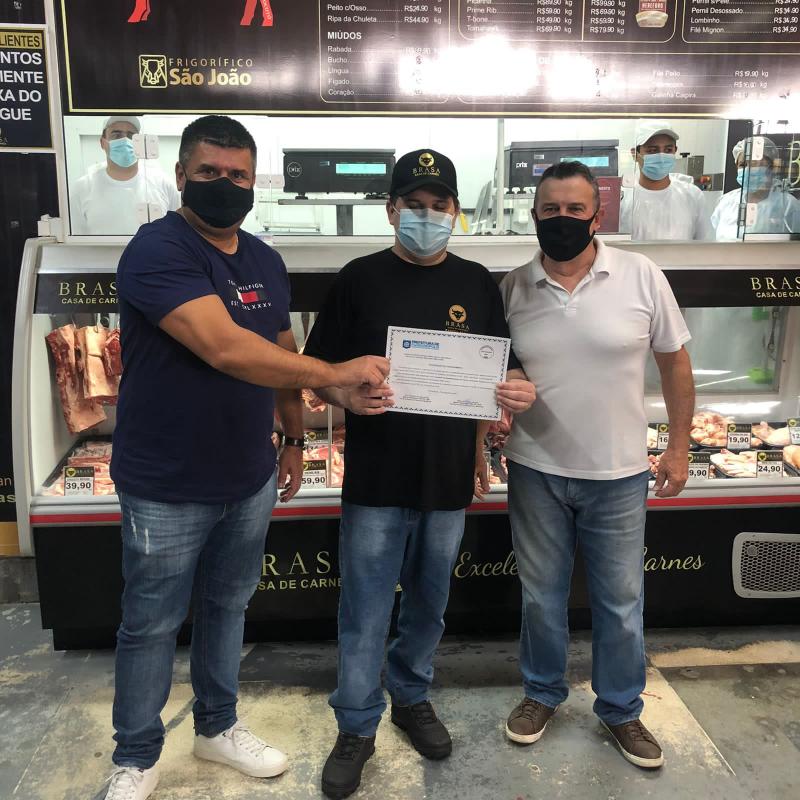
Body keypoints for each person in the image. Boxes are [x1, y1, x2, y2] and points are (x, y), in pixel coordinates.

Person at [104, 115, 389, 800]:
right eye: (209, 172)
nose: (224, 184)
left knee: (228, 607)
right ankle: (136, 755)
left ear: (254, 182)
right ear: (181, 176)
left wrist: (292, 437)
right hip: (166, 481)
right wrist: (336, 373)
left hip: (247, 473)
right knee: (150, 623)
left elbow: (280, 354)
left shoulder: (263, 258)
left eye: (237, 175)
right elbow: (227, 349)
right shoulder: (156, 249)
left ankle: (217, 726)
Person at [302, 149, 536, 799]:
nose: (427, 216)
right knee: (365, 609)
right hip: (376, 479)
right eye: (414, 205)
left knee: (430, 606)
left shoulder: (477, 283)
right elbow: (319, 374)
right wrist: (349, 398)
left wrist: (501, 413)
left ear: (455, 212)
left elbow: (495, 374)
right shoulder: (358, 279)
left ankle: (410, 697)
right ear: (391, 210)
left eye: (439, 206)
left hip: (447, 482)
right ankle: (356, 724)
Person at [501, 161, 695, 770]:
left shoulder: (641, 274)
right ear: (534, 214)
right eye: (550, 210)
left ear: (597, 215)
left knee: (620, 601)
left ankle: (620, 708)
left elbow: (675, 363)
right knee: (540, 596)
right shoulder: (512, 287)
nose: (561, 219)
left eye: (574, 209)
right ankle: (541, 693)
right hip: (534, 468)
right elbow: (496, 369)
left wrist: (680, 445)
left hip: (619, 474)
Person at [69, 116, 180, 235]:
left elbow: (176, 233)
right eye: (116, 135)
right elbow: (76, 239)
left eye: (132, 136)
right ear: (102, 142)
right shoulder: (82, 188)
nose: (125, 141)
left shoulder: (164, 185)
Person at [619, 122, 713, 241]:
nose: (661, 156)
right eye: (652, 150)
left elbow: (707, 243)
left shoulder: (692, 195)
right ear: (635, 154)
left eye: (668, 150)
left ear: (675, 151)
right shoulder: (623, 198)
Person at [712, 136, 800, 239]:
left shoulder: (788, 205)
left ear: (771, 167)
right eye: (742, 165)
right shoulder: (726, 202)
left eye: (754, 164)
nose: (748, 169)